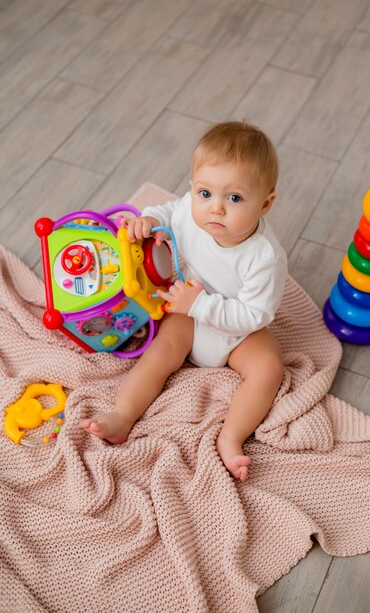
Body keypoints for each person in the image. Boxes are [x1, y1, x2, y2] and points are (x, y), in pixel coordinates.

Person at [80, 121, 287, 482]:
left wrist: (202, 305)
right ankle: (124, 415)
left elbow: (256, 314)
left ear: (265, 204)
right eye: (205, 193)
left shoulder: (265, 258)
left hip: (238, 331)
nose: (215, 209)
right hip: (186, 316)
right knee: (160, 352)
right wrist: (149, 221)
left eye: (234, 198)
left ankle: (231, 438)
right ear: (193, 188)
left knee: (269, 370)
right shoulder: (191, 211)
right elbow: (168, 211)